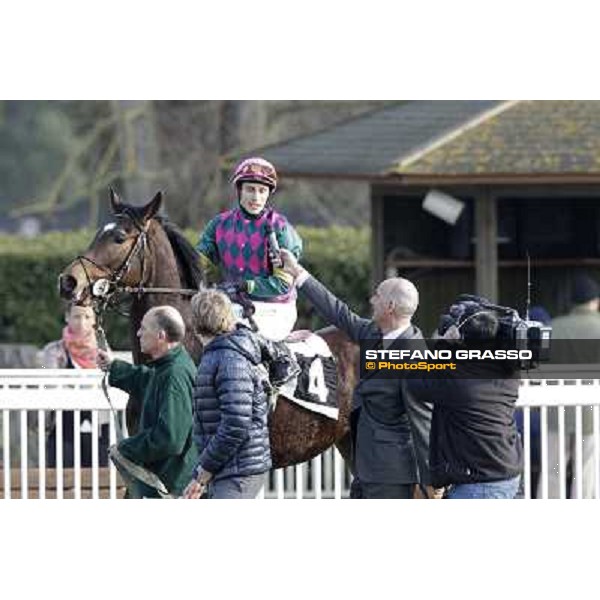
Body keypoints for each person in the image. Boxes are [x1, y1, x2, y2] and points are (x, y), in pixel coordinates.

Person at [279, 248, 433, 499]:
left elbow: (423, 424)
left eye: (378, 296)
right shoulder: (373, 333)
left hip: (393, 476)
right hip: (364, 469)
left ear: (390, 306)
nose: (372, 300)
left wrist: (430, 485)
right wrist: (298, 273)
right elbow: (338, 312)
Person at [410, 299, 523, 499]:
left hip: (479, 486)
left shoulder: (457, 379)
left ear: (460, 338)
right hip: (506, 474)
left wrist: (444, 343)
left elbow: (415, 381)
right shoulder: (508, 370)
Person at [196, 156, 302, 343]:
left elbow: (283, 284)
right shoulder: (219, 224)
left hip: (274, 309)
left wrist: (246, 285)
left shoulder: (281, 229)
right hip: (232, 305)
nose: (256, 197)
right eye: (250, 190)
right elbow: (197, 261)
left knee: (239, 342)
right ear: (239, 190)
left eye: (262, 191)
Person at [96, 306, 197, 498]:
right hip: (165, 479)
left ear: (160, 336)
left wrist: (126, 448)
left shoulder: (174, 374)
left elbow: (171, 439)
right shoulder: (169, 367)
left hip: (170, 485)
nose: (138, 333)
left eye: (144, 328)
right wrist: (113, 366)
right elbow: (147, 380)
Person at [182, 289, 272, 499]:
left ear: (195, 320)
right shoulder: (217, 354)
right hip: (227, 466)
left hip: (238, 468)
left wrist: (203, 471)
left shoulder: (229, 359)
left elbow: (236, 424)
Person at [540, 274, 600, 498]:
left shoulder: (552, 328)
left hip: (555, 410)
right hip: (591, 412)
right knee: (586, 468)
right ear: (596, 301)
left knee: (553, 468)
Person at [42, 303, 109, 467]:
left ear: (94, 320)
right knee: (61, 471)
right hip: (63, 421)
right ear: (67, 317)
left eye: (87, 317)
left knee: (99, 473)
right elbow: (49, 384)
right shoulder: (52, 350)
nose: (82, 322)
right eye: (77, 316)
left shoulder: (103, 349)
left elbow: (109, 381)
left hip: (97, 421)